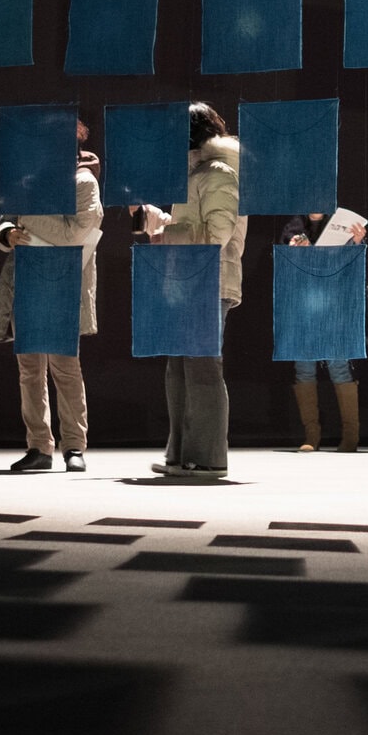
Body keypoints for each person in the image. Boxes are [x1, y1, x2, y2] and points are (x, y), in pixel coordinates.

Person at [137, 103, 244, 481]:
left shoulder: (217, 172)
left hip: (210, 280)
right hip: (189, 280)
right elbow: (188, 226)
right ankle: (182, 454)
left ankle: (208, 458)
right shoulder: (195, 175)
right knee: (180, 368)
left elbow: (218, 232)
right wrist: (155, 218)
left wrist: (169, 234)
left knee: (201, 367)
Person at [0, 119, 105, 473]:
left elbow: (74, 235)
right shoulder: (29, 180)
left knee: (64, 366)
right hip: (26, 278)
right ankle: (39, 446)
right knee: (29, 368)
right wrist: (8, 232)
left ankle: (74, 446)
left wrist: (26, 217)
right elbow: (4, 221)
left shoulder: (84, 182)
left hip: (62, 280)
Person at [280, 211, 368, 451]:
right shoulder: (293, 227)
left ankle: (351, 435)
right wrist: (294, 249)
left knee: (339, 367)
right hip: (303, 307)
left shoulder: (340, 223)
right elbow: (285, 265)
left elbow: (352, 266)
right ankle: (312, 435)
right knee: (304, 369)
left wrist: (358, 242)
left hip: (334, 305)